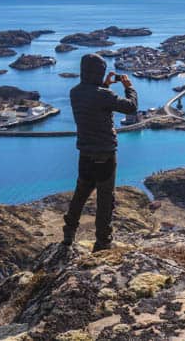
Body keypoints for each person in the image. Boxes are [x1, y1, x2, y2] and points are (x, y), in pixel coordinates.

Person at [63, 53, 138, 252]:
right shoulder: (104, 95)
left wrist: (104, 85)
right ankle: (102, 242)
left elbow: (94, 99)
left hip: (85, 154)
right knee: (105, 199)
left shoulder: (74, 92)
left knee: (80, 195)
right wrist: (128, 86)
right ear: (100, 72)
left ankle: (69, 233)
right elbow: (131, 108)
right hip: (105, 154)